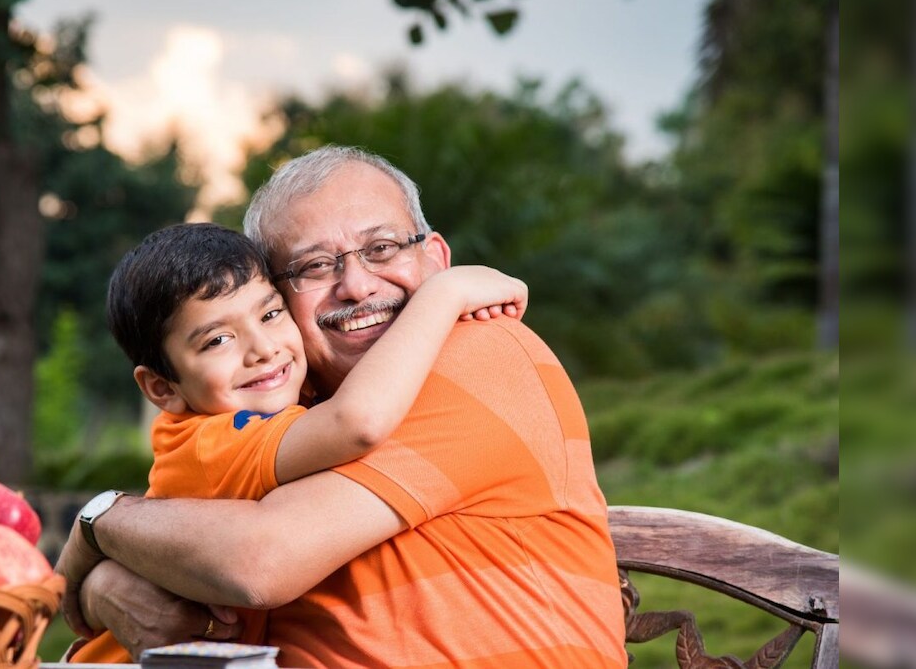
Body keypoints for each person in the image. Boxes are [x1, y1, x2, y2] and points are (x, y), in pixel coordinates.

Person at [57, 145, 627, 668]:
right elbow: (195, 548)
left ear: (436, 259)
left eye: (381, 249)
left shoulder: (477, 349)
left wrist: (98, 526)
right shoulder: (274, 409)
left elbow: (259, 560)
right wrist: (105, 579)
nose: (356, 286)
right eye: (313, 267)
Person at [69, 222, 527, 663]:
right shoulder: (217, 439)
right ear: (162, 389)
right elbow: (356, 422)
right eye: (218, 340)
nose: (263, 348)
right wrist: (443, 295)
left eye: (270, 314)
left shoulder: (243, 416)